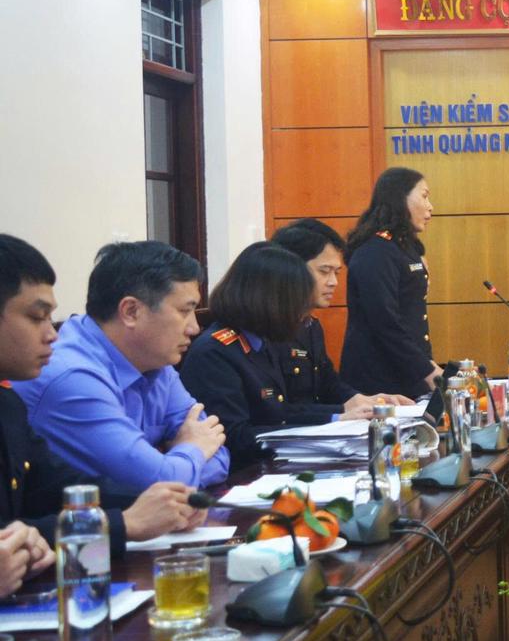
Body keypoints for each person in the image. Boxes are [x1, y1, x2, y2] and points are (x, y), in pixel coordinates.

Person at [0, 235, 206, 566]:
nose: (52, 334)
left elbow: (57, 487)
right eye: (37, 317)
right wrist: (126, 522)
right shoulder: (69, 376)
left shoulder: (6, 403)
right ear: (130, 311)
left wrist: (170, 504)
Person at [181, 243, 377, 466]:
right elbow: (234, 437)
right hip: (242, 473)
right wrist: (321, 434)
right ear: (270, 301)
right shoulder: (216, 353)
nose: (303, 312)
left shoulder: (261, 341)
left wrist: (337, 418)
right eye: (297, 301)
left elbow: (280, 413)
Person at [270, 219, 408, 411]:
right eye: (324, 271)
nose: (333, 282)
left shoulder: (310, 326)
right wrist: (338, 413)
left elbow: (328, 383)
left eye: (336, 273)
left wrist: (363, 400)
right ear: (290, 268)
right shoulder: (267, 331)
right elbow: (275, 412)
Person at [342, 168, 440, 399]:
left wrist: (427, 365)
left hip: (408, 373)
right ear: (400, 197)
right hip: (379, 380)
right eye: (424, 196)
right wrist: (427, 371)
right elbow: (385, 322)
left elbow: (412, 319)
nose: (430, 207)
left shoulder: (403, 247)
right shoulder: (376, 251)